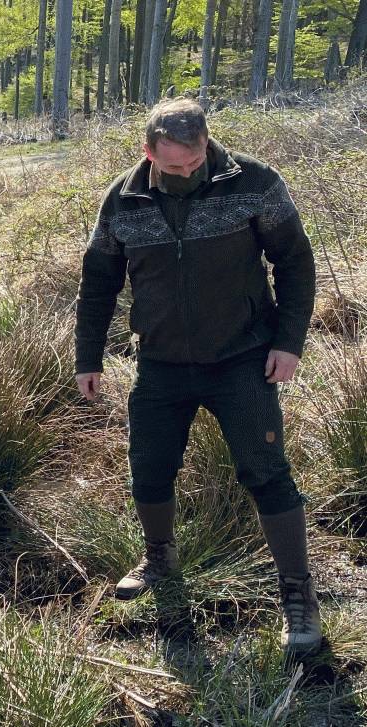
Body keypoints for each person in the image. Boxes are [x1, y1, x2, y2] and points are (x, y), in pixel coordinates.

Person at [74, 98, 319, 657]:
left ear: (207, 143)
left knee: (266, 472)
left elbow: (296, 262)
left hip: (244, 358)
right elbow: (98, 283)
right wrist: (88, 356)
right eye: (174, 167)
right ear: (148, 152)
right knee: (150, 469)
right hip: (160, 364)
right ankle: (160, 557)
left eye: (195, 162)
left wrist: (288, 342)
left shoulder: (255, 183)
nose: (187, 173)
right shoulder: (123, 200)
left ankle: (298, 597)